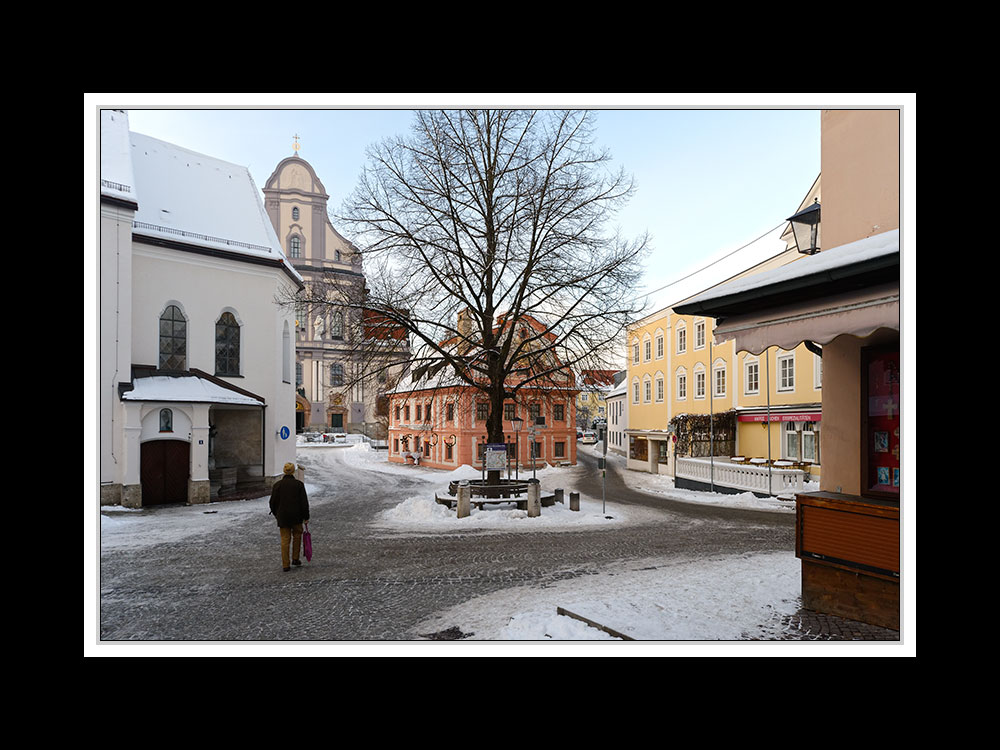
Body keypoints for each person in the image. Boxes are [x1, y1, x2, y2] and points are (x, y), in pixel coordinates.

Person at [269, 462, 310, 572]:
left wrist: (276, 514)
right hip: (297, 517)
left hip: (283, 517)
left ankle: (285, 564)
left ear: (283, 471)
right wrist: (306, 517)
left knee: (285, 540)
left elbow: (272, 502)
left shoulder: (277, 485)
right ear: (293, 471)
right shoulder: (299, 485)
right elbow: (304, 503)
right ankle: (295, 558)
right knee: (297, 537)